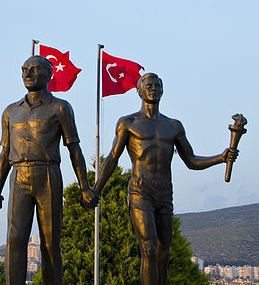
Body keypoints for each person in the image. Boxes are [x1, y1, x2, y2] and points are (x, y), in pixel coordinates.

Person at [93, 72, 238, 285]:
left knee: (164, 253)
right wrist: (96, 189)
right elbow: (113, 158)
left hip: (164, 191)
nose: (153, 88)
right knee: (149, 248)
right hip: (140, 190)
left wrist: (221, 158)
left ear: (163, 91)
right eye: (149, 85)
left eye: (157, 85)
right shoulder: (128, 122)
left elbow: (191, 160)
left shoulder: (174, 126)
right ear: (139, 91)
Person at [0, 55, 98, 285]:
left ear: (49, 74)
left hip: (48, 175)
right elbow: (5, 154)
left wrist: (84, 187)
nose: (27, 74)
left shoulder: (60, 107)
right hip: (19, 177)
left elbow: (74, 148)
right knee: (15, 239)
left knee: (50, 244)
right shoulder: (10, 111)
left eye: (34, 70)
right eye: (24, 69)